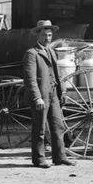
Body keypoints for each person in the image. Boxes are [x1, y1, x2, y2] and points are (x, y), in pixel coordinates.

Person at [23, 19, 74, 168]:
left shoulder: (51, 51)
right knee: (40, 128)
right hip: (41, 97)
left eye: (50, 35)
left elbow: (57, 74)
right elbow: (30, 79)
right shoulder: (31, 53)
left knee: (58, 126)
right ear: (38, 35)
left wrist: (61, 91)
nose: (48, 38)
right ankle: (39, 159)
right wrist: (37, 97)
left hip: (53, 95)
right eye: (45, 35)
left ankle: (60, 157)